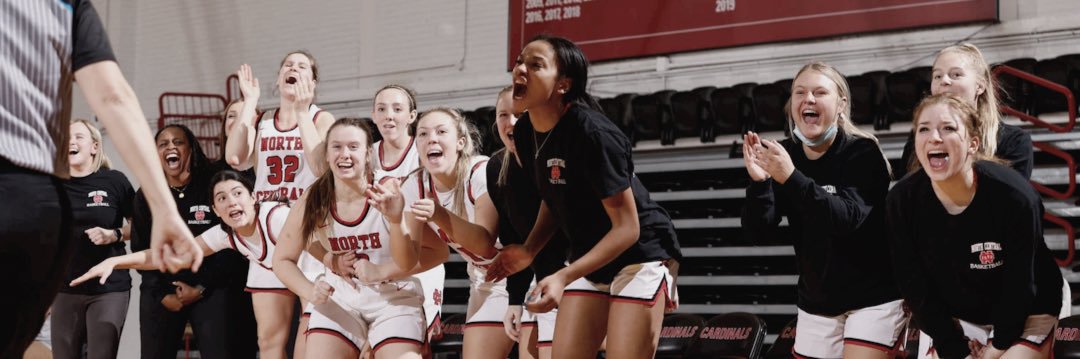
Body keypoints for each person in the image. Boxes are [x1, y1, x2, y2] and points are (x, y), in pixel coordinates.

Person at [0, 2, 201, 356]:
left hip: (34, 203)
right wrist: (166, 209)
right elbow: (114, 96)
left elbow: (129, 226)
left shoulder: (112, 182)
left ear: (94, 146)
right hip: (31, 196)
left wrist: (135, 224)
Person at [486, 35, 681, 359]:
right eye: (520, 61)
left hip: (640, 251)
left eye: (535, 65)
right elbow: (554, 197)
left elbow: (627, 228)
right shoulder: (524, 134)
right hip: (592, 252)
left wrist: (564, 274)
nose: (521, 69)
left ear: (563, 84)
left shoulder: (594, 135)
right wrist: (529, 249)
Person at [741, 62, 903, 358]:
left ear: (841, 104)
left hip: (872, 298)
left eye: (820, 92)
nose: (809, 99)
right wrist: (760, 183)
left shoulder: (863, 152)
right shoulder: (785, 156)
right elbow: (758, 232)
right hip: (817, 302)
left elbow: (846, 219)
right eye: (800, 92)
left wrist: (791, 178)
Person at [71, 170, 319, 359]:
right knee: (268, 344)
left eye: (237, 193)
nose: (231, 201)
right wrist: (115, 261)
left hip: (313, 272)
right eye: (222, 198)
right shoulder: (224, 234)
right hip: (270, 268)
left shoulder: (277, 217)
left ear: (253, 197)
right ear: (215, 210)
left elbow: (319, 249)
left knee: (308, 347)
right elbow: (165, 255)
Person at [888, 94, 1062, 359]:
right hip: (958, 317)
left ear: (972, 143)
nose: (934, 137)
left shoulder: (1014, 196)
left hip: (1028, 309)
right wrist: (955, 348)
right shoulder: (901, 201)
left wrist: (998, 346)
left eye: (948, 128)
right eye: (924, 129)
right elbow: (915, 288)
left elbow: (1020, 285)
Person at [273, 117, 437, 359]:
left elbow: (438, 252)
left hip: (394, 297)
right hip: (342, 299)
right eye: (336, 147)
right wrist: (309, 290)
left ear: (368, 154)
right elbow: (282, 259)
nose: (344, 154)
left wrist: (383, 269)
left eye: (353, 147)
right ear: (326, 155)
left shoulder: (392, 191)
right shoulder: (313, 198)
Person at [130, 124, 254, 358]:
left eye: (178, 142)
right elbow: (141, 249)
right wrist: (161, 293)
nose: (170, 147)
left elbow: (228, 242)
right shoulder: (146, 194)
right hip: (163, 289)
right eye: (163, 144)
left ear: (191, 149)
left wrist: (200, 288)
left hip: (210, 286)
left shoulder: (211, 184)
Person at [398, 108, 513, 359]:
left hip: (527, 273)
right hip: (487, 281)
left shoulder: (480, 171)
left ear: (460, 142)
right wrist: (392, 217)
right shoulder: (414, 185)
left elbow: (484, 244)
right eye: (423, 134)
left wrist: (439, 214)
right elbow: (416, 258)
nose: (432, 139)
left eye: (441, 132)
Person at [487, 87, 568, 359]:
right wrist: (515, 299)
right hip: (543, 274)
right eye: (503, 115)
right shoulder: (497, 166)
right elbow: (514, 240)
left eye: (520, 115)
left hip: (578, 270)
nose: (510, 122)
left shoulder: (559, 156)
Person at [368, 85, 446, 353]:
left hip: (421, 254)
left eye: (397, 109)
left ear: (412, 116)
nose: (389, 115)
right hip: (378, 254)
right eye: (382, 109)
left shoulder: (425, 151)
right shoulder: (363, 155)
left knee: (417, 344)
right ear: (373, 115)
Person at [52, 119, 135, 359]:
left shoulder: (114, 181)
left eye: (78, 136)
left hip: (108, 289)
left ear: (94, 147)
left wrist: (115, 234)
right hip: (64, 288)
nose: (71, 142)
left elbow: (139, 225)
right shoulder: (53, 185)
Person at [899, 43, 1032, 178]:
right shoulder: (921, 136)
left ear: (980, 86)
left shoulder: (1014, 141)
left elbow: (1012, 195)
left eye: (956, 74)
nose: (944, 81)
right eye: (937, 76)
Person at [225, 53, 335, 202]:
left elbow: (320, 168)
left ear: (312, 83)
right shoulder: (262, 120)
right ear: (278, 79)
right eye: (288, 65)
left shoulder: (321, 118)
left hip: (306, 214)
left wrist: (301, 111)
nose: (293, 68)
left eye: (302, 67)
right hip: (267, 214)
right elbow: (234, 158)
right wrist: (250, 100)